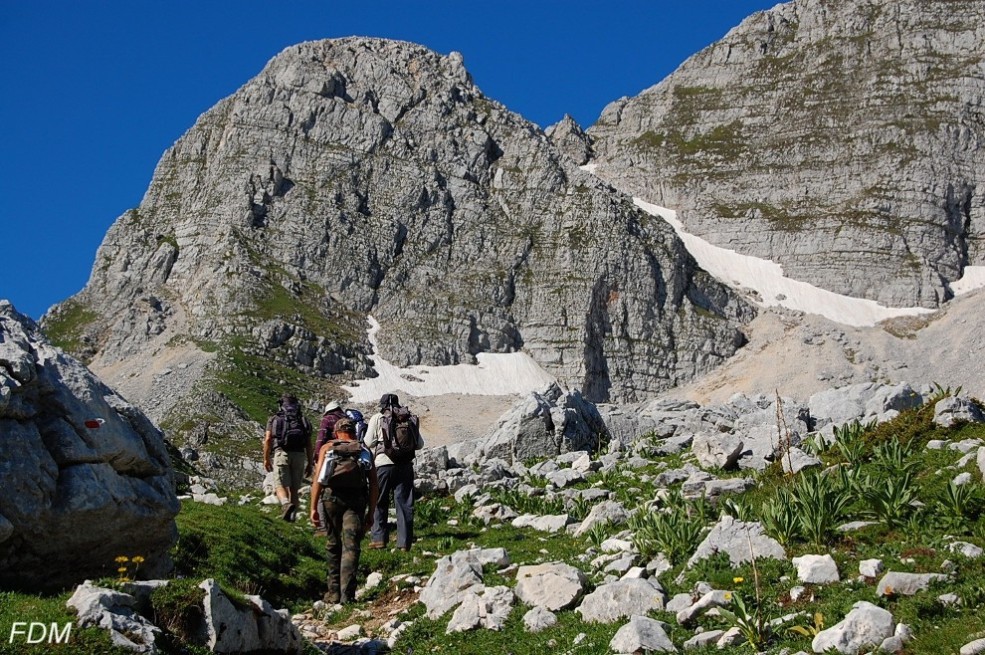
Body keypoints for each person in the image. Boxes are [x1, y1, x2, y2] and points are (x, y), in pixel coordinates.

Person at [310, 417, 379, 604]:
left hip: (331, 499)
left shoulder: (328, 448)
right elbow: (373, 484)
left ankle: (332, 593)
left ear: (336, 432)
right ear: (354, 432)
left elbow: (318, 480)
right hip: (356, 501)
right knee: (351, 546)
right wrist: (371, 513)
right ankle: (347, 595)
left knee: (333, 544)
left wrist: (313, 508)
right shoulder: (363, 450)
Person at [365, 393, 424, 551]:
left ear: (381, 404)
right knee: (404, 504)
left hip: (383, 465)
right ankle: (404, 543)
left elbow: (368, 442)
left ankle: (379, 539)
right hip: (405, 466)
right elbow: (419, 444)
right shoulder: (407, 417)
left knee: (379, 501)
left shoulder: (377, 418)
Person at [263, 393, 313, 522]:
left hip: (282, 453)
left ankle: (285, 503)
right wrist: (310, 462)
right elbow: (308, 443)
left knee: (280, 485)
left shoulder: (274, 419)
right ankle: (292, 519)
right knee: (294, 489)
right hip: (300, 455)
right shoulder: (302, 420)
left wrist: (266, 458)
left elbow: (268, 439)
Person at [314, 401, 348, 465]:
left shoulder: (327, 419)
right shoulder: (348, 419)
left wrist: (317, 456)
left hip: (331, 454)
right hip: (347, 453)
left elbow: (321, 439)